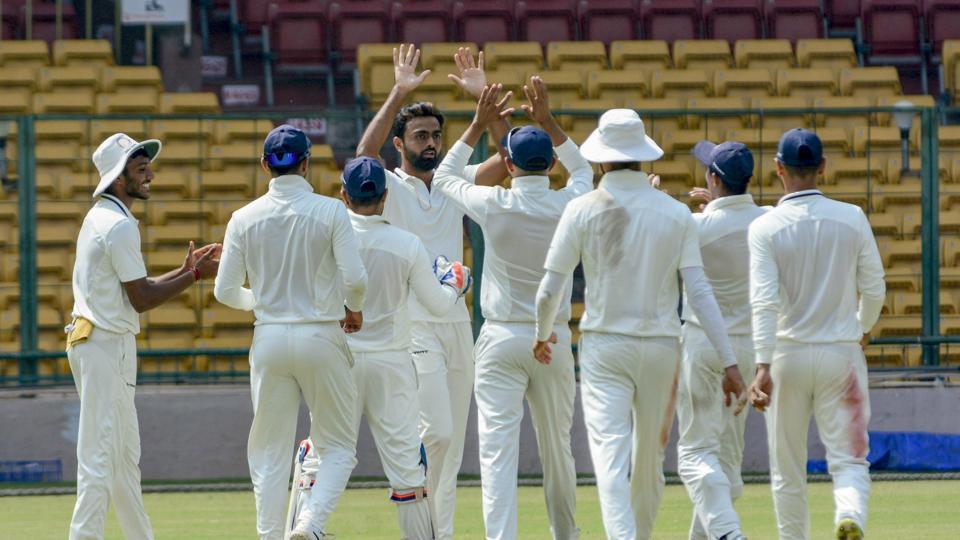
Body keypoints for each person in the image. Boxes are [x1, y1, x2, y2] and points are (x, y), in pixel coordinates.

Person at [534, 109, 746, 540]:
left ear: (599, 161)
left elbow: (548, 290)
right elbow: (700, 292)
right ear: (643, 158)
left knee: (610, 458)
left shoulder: (580, 208)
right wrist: (729, 362)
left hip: (604, 346)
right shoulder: (676, 214)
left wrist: (541, 335)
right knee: (650, 462)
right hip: (662, 349)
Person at [355, 44, 510, 539]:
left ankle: (436, 532)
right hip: (414, 325)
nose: (430, 143)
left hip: (457, 324)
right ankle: (417, 526)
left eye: (435, 136)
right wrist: (399, 91)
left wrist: (485, 97)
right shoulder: (391, 186)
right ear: (398, 145)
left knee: (453, 444)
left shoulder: (452, 181)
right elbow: (361, 156)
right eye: (419, 136)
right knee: (436, 434)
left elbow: (511, 161)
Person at [434, 79, 592, 539]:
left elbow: (444, 177)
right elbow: (584, 170)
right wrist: (548, 121)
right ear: (549, 165)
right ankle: (567, 535)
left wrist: (476, 125)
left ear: (507, 164)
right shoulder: (569, 202)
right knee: (557, 448)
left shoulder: (495, 204)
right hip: (554, 338)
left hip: (501, 337)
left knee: (496, 451)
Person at [286, 156, 474, 540]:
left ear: (344, 195)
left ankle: (308, 525)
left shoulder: (328, 237)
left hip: (339, 359)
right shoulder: (407, 244)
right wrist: (456, 282)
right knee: (407, 468)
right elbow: (438, 305)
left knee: (321, 454)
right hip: (393, 365)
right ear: (386, 197)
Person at [214, 125, 368, 540]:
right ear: (306, 164)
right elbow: (355, 279)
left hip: (269, 339)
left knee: (268, 451)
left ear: (265, 165)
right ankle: (309, 524)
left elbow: (224, 291)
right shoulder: (331, 210)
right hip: (321, 333)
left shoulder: (242, 218)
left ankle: (269, 536)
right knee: (338, 447)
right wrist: (352, 309)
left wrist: (261, 304)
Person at [67, 133, 220, 540]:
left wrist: (183, 270)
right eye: (140, 169)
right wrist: (193, 276)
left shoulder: (103, 216)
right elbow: (141, 298)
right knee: (101, 458)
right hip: (105, 346)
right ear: (119, 178)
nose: (150, 173)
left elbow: (137, 285)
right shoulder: (116, 226)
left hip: (101, 343)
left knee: (121, 459)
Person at [747, 129, 885, 540]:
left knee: (786, 468)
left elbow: (764, 301)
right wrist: (862, 327)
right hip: (840, 352)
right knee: (850, 460)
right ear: (823, 167)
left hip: (786, 355)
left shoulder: (765, 227)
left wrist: (762, 363)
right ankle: (850, 515)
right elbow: (875, 287)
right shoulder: (852, 217)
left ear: (778, 169)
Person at [676, 140, 768, 540]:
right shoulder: (768, 220)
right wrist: (715, 204)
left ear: (713, 179)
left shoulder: (694, 226)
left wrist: (709, 210)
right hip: (749, 348)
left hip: (702, 344)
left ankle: (728, 533)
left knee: (696, 452)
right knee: (726, 456)